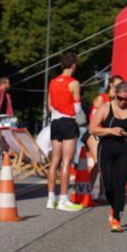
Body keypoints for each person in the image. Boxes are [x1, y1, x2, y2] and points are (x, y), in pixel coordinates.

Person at [88, 80, 127, 233]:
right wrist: (110, 131)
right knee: (108, 186)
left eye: (126, 99)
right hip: (106, 148)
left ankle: (116, 219)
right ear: (114, 94)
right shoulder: (106, 107)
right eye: (120, 98)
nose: (122, 102)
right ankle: (114, 207)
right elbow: (92, 128)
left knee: (120, 185)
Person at [46, 52, 85, 211]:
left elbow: (49, 106)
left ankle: (50, 199)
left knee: (54, 161)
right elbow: (77, 107)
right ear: (74, 65)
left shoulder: (53, 82)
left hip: (54, 122)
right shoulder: (74, 83)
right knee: (67, 162)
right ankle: (63, 199)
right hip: (68, 122)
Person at [86, 75, 124, 201]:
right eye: (117, 84)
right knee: (101, 163)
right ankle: (88, 190)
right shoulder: (101, 99)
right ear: (111, 85)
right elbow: (93, 121)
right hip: (95, 135)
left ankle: (103, 193)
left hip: (108, 136)